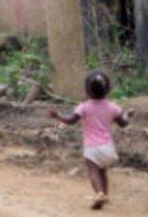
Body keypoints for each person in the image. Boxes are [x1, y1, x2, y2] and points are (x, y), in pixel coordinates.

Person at [49, 71, 133, 209]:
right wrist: (128, 115)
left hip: (92, 148)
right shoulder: (113, 107)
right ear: (108, 89)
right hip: (108, 148)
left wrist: (58, 115)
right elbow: (123, 123)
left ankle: (99, 193)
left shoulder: (84, 107)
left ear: (87, 90)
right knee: (103, 172)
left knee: (93, 172)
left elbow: (71, 120)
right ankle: (104, 194)